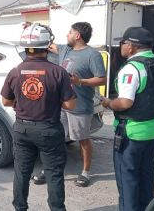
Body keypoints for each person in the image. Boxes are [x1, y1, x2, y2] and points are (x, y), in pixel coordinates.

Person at [1, 23, 77, 211]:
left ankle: (20, 207)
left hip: (22, 129)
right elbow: (70, 105)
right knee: (54, 173)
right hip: (48, 129)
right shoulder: (58, 72)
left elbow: (5, 101)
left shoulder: (15, 71)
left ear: (25, 47)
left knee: (21, 172)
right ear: (46, 46)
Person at [101, 27, 154, 211]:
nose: (121, 47)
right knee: (146, 174)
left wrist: (109, 103)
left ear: (131, 46)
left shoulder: (132, 68)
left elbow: (125, 102)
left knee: (128, 179)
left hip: (131, 132)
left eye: (122, 43)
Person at [32, 22, 107, 187]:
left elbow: (102, 79)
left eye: (70, 32)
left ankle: (85, 173)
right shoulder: (66, 49)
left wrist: (80, 81)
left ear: (78, 35)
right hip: (60, 105)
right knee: (54, 139)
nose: (67, 34)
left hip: (80, 107)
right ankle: (48, 169)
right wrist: (36, 28)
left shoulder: (92, 55)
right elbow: (47, 44)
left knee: (82, 140)